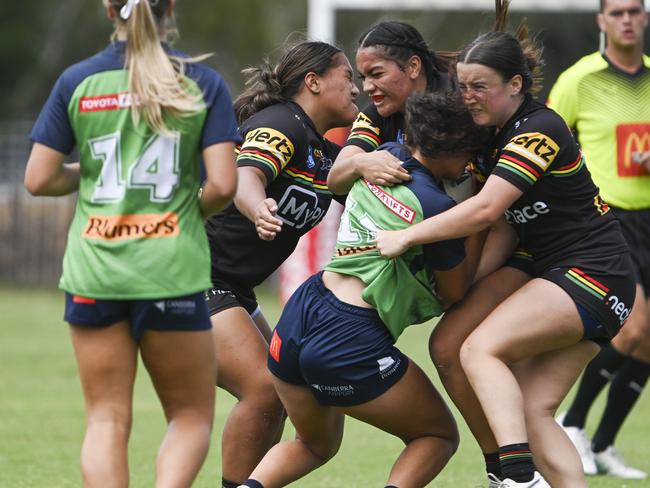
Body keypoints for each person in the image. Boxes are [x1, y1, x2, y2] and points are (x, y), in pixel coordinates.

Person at [375, 2, 637, 486]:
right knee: (506, 388)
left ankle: (514, 474)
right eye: (464, 86)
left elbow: (486, 211)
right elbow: (503, 230)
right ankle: (521, 466)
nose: (468, 97)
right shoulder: (492, 135)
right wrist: (461, 289)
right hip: (553, 268)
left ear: (515, 85)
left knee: (480, 350)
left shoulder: (539, 130)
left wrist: (406, 236)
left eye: (480, 87)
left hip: (592, 273)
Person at [24, 0, 239, 486]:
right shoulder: (202, 83)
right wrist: (182, 214)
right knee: (189, 418)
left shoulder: (77, 81)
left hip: (95, 272)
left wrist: (94, 173)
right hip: (170, 270)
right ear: (171, 8)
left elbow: (38, 179)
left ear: (108, 9)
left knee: (105, 420)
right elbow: (224, 185)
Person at [236, 90, 488, 488]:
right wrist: (478, 216)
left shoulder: (385, 157)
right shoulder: (438, 209)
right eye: (469, 153)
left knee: (314, 444)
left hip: (302, 312)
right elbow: (456, 291)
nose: (470, 163)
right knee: (437, 435)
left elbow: (342, 174)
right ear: (453, 149)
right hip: (350, 335)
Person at [203, 41, 360, 488]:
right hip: (188, 275)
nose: (356, 86)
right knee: (264, 389)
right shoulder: (280, 123)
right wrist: (257, 208)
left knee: (286, 387)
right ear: (313, 82)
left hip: (233, 287)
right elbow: (245, 174)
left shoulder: (324, 152)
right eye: (347, 75)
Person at [547, 0, 650, 479]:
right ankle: (571, 422)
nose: (627, 19)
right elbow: (545, 141)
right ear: (602, 21)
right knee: (632, 330)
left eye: (635, 10)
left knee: (648, 342)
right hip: (611, 219)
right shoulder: (579, 79)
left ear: (645, 18)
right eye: (618, 12)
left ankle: (604, 443)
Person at [327, 20, 454, 195]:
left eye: (377, 74)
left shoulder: (461, 101)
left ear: (413, 67)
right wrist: (360, 164)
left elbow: (486, 203)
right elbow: (335, 180)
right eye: (363, 77)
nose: (367, 87)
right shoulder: (376, 115)